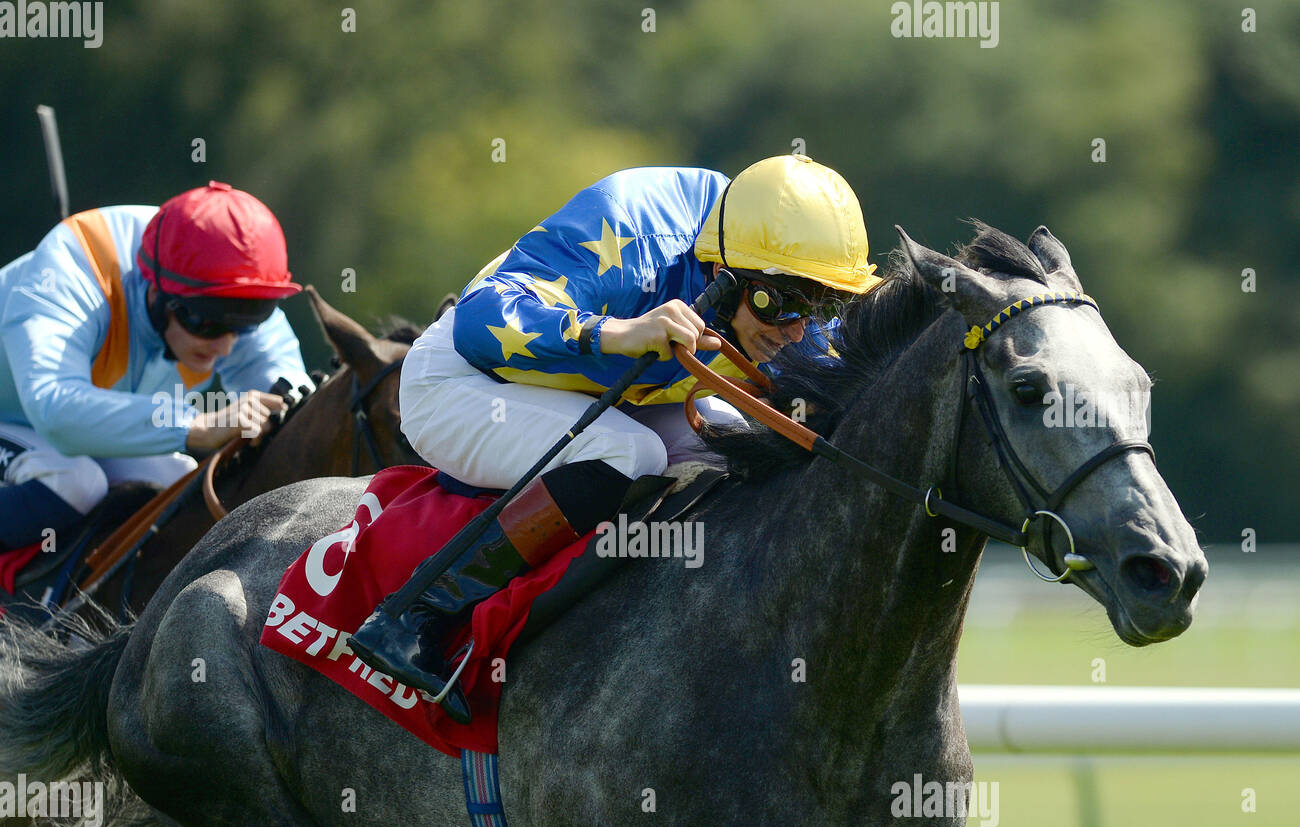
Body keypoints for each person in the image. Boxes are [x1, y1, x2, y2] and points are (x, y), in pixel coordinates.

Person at [349, 154, 884, 721]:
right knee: (631, 452)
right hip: (463, 381)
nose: (798, 330)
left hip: (601, 396)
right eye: (783, 307)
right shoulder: (633, 227)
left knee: (731, 444)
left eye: (821, 305)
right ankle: (421, 615)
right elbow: (480, 322)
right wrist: (621, 332)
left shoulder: (779, 265)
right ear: (725, 276)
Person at [0, 181, 309, 551]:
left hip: (63, 434)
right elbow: (55, 408)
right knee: (74, 481)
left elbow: (292, 396)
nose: (226, 345)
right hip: (32, 421)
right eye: (206, 323)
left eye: (245, 326)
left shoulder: (231, 287)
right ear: (157, 291)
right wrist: (197, 424)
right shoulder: (74, 266)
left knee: (177, 483)